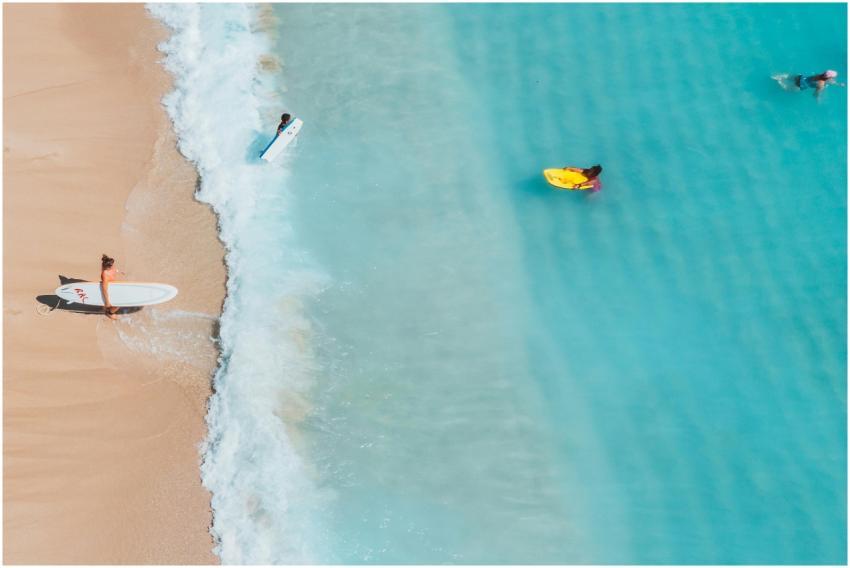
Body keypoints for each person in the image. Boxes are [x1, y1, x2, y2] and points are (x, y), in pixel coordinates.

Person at [774, 70, 845, 100]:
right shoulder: (821, 85)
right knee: (787, 88)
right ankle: (780, 83)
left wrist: (838, 84)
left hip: (801, 77)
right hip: (801, 85)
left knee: (789, 77)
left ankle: (778, 77)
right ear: (830, 78)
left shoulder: (819, 75)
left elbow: (830, 81)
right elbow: (816, 94)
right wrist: (818, 98)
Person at [100, 254, 122, 320]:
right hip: (108, 289)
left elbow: (115, 269)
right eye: (111, 266)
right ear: (108, 267)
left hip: (112, 286)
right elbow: (104, 289)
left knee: (119, 301)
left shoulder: (112, 267)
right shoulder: (105, 274)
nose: (113, 267)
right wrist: (107, 301)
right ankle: (109, 312)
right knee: (118, 305)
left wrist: (119, 271)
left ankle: (106, 307)